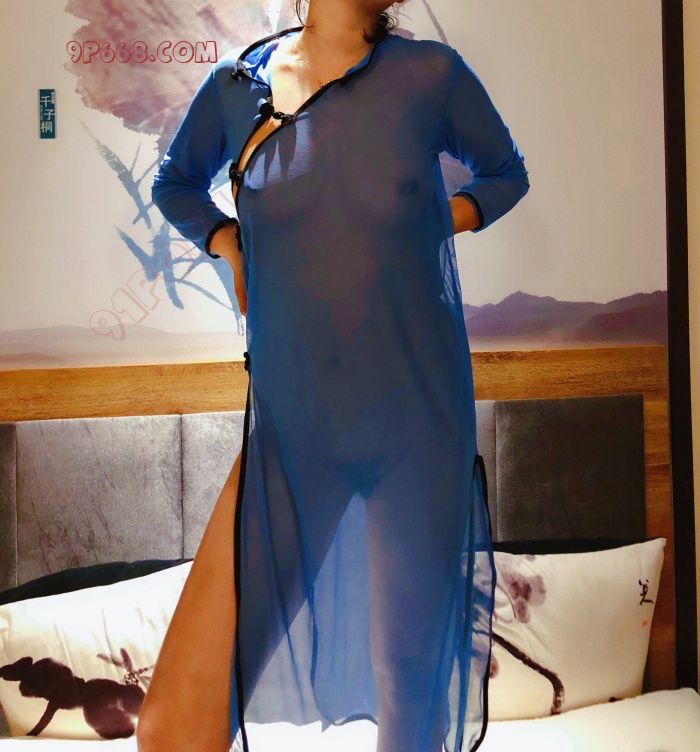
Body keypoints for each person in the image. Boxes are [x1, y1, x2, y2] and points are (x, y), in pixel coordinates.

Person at [140, 1, 530, 751]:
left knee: (410, 698)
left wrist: (437, 219)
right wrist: (226, 240)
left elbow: (506, 174)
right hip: (294, 434)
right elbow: (175, 183)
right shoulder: (238, 87)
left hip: (418, 429)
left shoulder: (430, 75)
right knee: (173, 728)